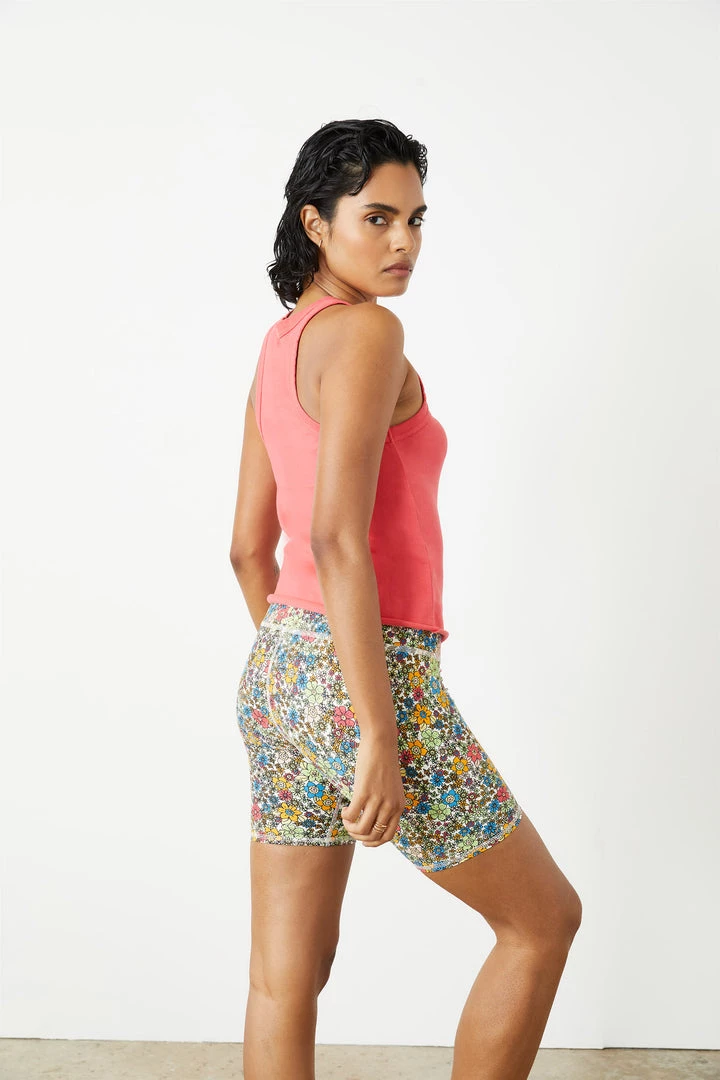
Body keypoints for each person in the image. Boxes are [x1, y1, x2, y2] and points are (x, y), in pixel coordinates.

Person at [229, 118, 582, 1080]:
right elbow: (335, 537)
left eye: (416, 220)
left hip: (279, 672)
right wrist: (371, 726)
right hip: (369, 675)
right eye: (377, 218)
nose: (404, 243)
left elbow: (248, 549)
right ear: (316, 222)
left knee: (283, 979)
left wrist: (306, 681)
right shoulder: (368, 332)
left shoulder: (278, 346)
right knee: (542, 921)